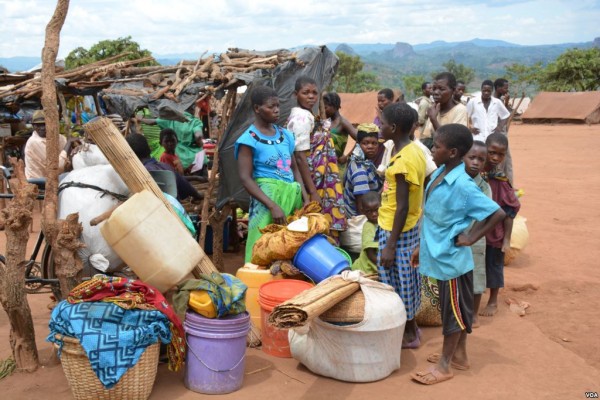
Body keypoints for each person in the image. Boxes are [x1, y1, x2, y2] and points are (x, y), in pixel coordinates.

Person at [410, 124, 505, 385]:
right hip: (437, 254)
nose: (432, 149)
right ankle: (459, 355)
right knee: (452, 309)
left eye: (437, 146)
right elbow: (432, 217)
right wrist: (422, 246)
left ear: (452, 152)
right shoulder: (441, 172)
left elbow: (497, 213)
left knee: (453, 314)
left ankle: (444, 366)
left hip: (452, 261)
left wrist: (472, 237)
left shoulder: (464, 185)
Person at [378, 102, 426, 349]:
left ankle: (408, 333)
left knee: (397, 282)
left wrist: (390, 245)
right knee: (407, 278)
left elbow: (403, 206)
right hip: (406, 227)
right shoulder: (414, 151)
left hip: (395, 230)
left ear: (394, 128)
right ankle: (413, 328)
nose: (379, 125)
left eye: (382, 123)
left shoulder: (402, 162)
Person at [236, 86, 303, 262]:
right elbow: (245, 178)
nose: (276, 110)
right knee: (260, 245)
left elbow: (294, 167)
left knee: (288, 245)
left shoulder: (286, 135)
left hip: (291, 195)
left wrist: (304, 196)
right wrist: (272, 205)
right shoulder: (248, 139)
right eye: (271, 106)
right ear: (257, 108)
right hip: (266, 198)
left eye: (278, 106)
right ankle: (254, 285)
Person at [287, 76, 347, 234]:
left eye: (314, 93)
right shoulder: (302, 118)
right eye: (305, 92)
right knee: (314, 220)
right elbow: (299, 156)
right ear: (295, 94)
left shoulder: (307, 115)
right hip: (313, 180)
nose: (311, 96)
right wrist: (312, 192)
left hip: (316, 176)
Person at [480, 133, 521, 317]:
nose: (495, 158)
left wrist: (506, 239)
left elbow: (510, 210)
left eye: (500, 154)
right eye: (492, 153)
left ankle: (493, 300)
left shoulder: (500, 179)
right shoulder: (475, 172)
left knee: (494, 266)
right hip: (475, 231)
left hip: (494, 233)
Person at [462, 140, 492, 327]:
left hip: (476, 238)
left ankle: (473, 314)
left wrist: (473, 235)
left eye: (481, 160)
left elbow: (488, 214)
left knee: (477, 275)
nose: (475, 163)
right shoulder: (456, 181)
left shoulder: (483, 187)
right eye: (471, 157)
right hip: (457, 238)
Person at [126, 133, 203, 202]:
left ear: (130, 155)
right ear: (149, 149)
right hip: (174, 213)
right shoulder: (166, 167)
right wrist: (198, 196)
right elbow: (187, 187)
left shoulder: (137, 175)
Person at [137, 109, 203, 169]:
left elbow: (152, 122)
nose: (170, 144)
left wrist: (141, 119)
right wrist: (200, 144)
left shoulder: (171, 119)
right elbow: (198, 136)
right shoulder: (195, 121)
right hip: (194, 160)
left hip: (179, 155)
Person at [342, 123, 383, 218]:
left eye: (374, 143)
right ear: (358, 144)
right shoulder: (360, 172)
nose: (370, 147)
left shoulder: (360, 161)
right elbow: (361, 207)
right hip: (358, 218)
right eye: (365, 143)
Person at [420, 72, 468, 150]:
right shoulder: (435, 109)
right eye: (434, 88)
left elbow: (453, 141)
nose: (435, 92)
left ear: (453, 90)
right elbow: (427, 138)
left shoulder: (460, 110)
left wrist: (434, 120)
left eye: (441, 89)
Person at [24, 110, 71, 180]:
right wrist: (69, 144)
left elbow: (67, 162)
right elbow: (55, 167)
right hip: (38, 180)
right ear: (33, 126)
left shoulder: (60, 138)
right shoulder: (34, 142)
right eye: (38, 125)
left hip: (56, 176)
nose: (42, 128)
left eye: (45, 124)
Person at [351, 191, 381, 275]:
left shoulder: (382, 222)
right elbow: (370, 254)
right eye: (369, 212)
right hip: (366, 270)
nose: (374, 214)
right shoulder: (369, 227)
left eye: (376, 210)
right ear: (363, 211)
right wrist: (383, 266)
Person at [493, 77, 515, 184]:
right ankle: (504, 186)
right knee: (501, 161)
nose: (507, 90)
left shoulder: (500, 100)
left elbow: (505, 114)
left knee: (507, 161)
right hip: (497, 135)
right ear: (498, 88)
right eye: (505, 88)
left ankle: (508, 185)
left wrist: (506, 103)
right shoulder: (493, 101)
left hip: (502, 134)